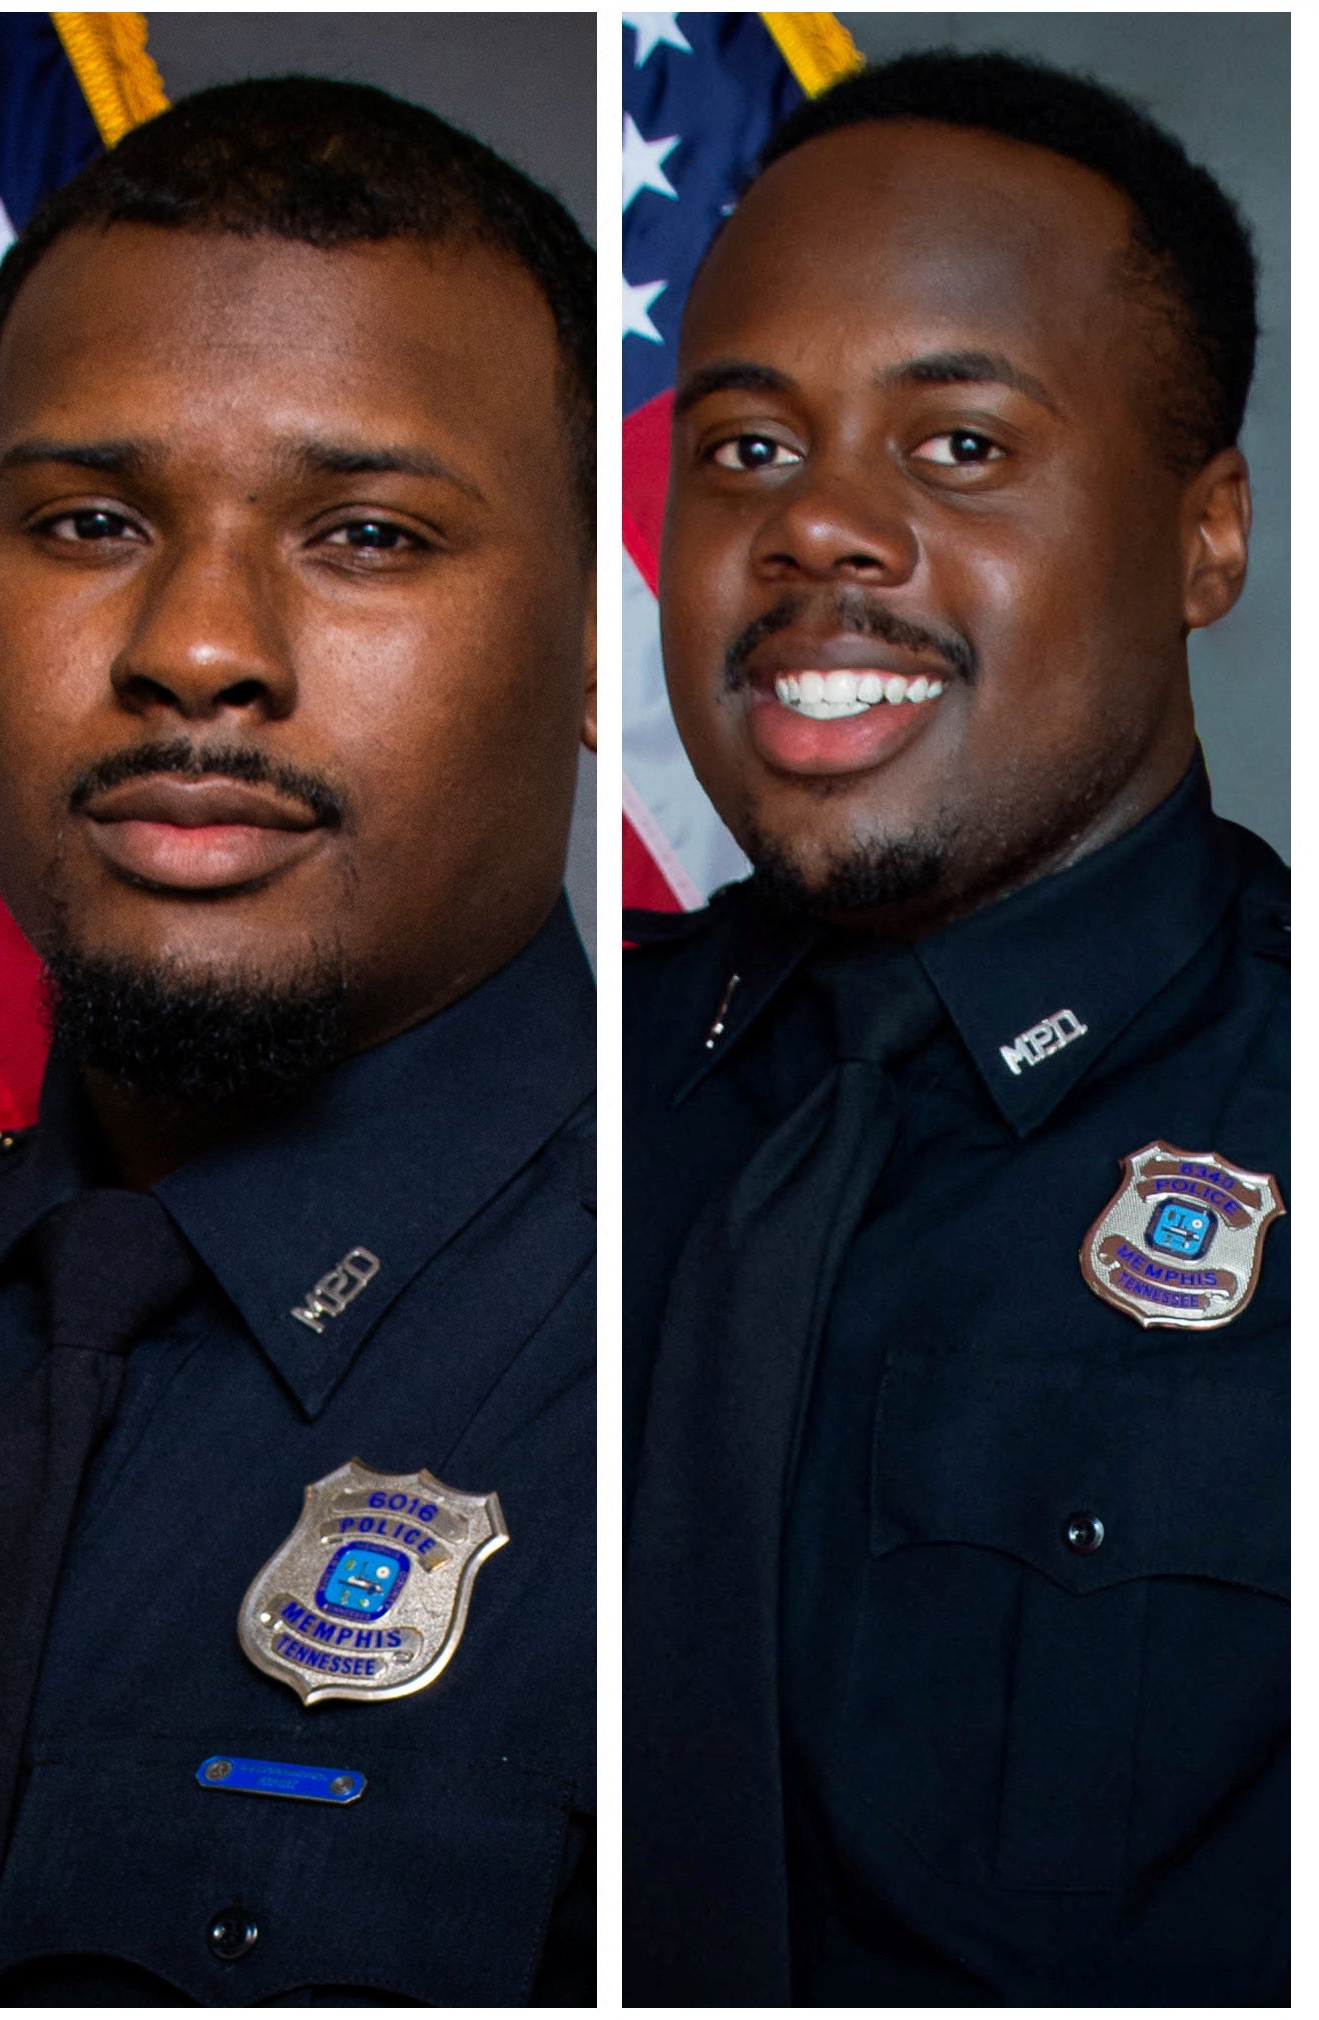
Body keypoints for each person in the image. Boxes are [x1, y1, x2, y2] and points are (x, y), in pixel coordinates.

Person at [0, 77, 598, 2005]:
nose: (197, 643)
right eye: (90, 518)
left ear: (585, 658)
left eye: (367, 533)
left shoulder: (740, 1340)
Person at [625, 52, 1283, 2004]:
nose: (818, 526)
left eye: (959, 447)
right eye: (742, 449)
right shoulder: (526, 1100)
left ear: (1203, 537)